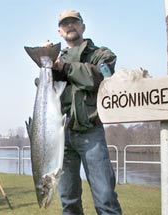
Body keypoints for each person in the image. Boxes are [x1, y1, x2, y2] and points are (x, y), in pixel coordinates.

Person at [51, 10, 122, 215]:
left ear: (83, 26)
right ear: (60, 31)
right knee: (69, 202)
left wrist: (65, 68)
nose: (70, 26)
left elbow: (99, 78)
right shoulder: (55, 60)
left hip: (91, 134)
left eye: (74, 22)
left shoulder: (102, 54)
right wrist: (47, 65)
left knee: (106, 199)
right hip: (62, 140)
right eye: (65, 24)